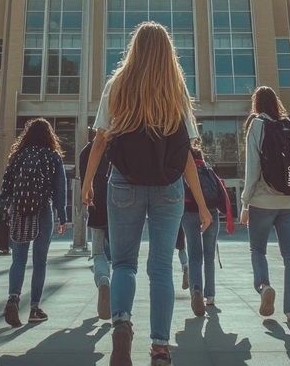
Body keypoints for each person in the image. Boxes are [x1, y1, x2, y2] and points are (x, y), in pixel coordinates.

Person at [81, 21, 213, 366]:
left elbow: (100, 140)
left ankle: (121, 324)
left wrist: (87, 182)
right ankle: (160, 347)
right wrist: (202, 205)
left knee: (123, 262)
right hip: (168, 187)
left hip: (123, 182)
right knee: (161, 267)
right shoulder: (175, 89)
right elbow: (186, 153)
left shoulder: (117, 84)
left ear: (134, 48)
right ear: (168, 52)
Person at [240, 86, 290, 324]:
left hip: (262, 200)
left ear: (256, 104)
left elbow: (252, 168)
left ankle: (264, 286)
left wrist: (245, 203)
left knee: (257, 250)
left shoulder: (257, 125)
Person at [0, 118, 69, 327]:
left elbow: (6, 183)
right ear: (49, 136)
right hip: (43, 210)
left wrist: (6, 206)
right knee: (40, 261)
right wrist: (62, 216)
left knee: (18, 260)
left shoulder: (19, 155)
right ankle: (35, 309)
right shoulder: (53, 156)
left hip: (20, 209)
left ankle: (13, 299)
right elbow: (60, 189)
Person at [180, 143, 233, 316]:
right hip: (211, 213)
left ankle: (196, 290)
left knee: (194, 255)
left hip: (189, 213)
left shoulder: (183, 171)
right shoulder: (208, 170)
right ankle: (210, 296)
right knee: (209, 256)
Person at [77, 133, 112, 320]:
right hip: (119, 206)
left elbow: (85, 181)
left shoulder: (85, 152)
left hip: (96, 205)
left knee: (98, 253)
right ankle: (119, 305)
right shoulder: (116, 146)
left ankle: (103, 280)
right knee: (120, 258)